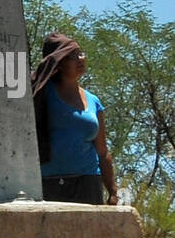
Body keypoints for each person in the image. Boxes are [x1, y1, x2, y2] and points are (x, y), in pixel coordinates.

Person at [30, 33, 118, 205]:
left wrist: (112, 191)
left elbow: (102, 151)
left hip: (88, 183)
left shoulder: (93, 101)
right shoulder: (40, 94)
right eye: (71, 56)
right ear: (59, 63)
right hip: (49, 183)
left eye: (80, 53)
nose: (80, 59)